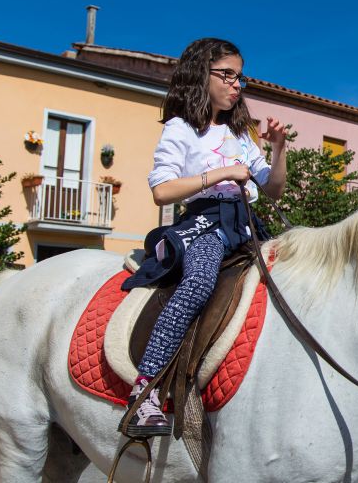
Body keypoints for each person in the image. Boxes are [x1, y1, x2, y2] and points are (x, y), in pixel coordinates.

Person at [118, 38, 287, 437]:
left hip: (247, 226)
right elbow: (162, 190)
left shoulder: (242, 135)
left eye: (239, 76)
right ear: (201, 74)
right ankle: (144, 393)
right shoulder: (181, 129)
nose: (236, 84)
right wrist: (223, 174)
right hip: (205, 223)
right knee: (198, 282)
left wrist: (278, 150)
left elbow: (273, 188)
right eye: (227, 75)